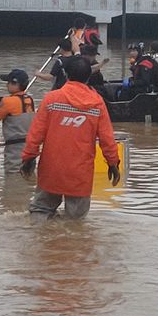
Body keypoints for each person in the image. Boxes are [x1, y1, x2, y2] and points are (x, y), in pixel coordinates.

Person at [21, 56, 122, 219]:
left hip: (51, 169)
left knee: (40, 212)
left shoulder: (51, 99)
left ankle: (39, 243)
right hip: (80, 173)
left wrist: (28, 158)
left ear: (66, 74)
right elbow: (107, 139)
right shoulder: (97, 104)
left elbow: (35, 134)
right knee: (75, 223)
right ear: (89, 77)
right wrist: (113, 164)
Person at [0, 69, 37, 173]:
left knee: (13, 175)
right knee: (28, 175)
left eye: (9, 82)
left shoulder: (7, 101)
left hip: (15, 148)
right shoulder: (29, 100)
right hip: (30, 146)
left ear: (15, 84)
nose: (7, 85)